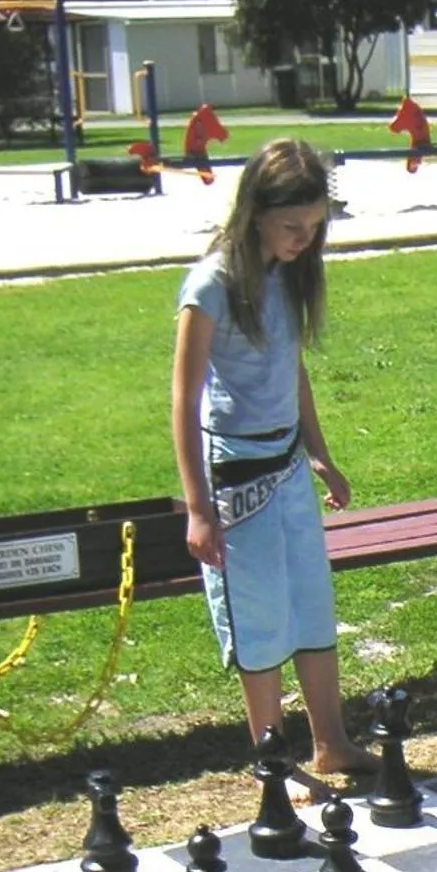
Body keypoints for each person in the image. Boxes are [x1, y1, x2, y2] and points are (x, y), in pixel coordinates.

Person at [171, 137, 377, 780]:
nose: (303, 240)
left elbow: (294, 370)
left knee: (311, 605)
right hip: (236, 478)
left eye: (314, 229)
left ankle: (331, 742)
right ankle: (271, 758)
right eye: (292, 227)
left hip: (287, 466)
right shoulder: (211, 285)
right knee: (259, 620)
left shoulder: (290, 276)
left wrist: (320, 454)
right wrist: (199, 511)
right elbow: (182, 401)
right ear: (256, 210)